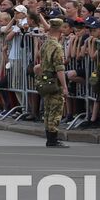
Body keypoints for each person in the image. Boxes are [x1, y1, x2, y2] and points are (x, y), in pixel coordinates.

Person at [34, 13, 69, 147]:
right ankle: (53, 139)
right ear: (60, 29)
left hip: (45, 79)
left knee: (48, 108)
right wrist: (64, 86)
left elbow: (41, 61)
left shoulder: (46, 43)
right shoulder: (57, 46)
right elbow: (59, 68)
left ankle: (50, 136)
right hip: (54, 81)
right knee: (55, 109)